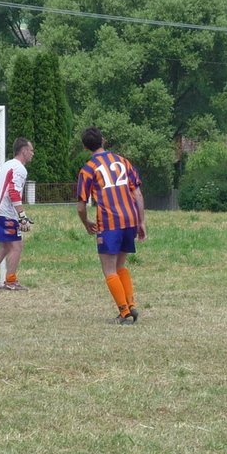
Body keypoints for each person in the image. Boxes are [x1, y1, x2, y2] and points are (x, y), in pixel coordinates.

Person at [76, 127, 146, 324]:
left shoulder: (88, 169)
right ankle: (131, 304)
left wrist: (86, 222)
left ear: (85, 147)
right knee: (120, 265)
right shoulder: (123, 161)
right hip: (130, 219)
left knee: (109, 269)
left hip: (109, 223)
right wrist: (141, 221)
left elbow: (81, 206)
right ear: (103, 141)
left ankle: (124, 313)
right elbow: (137, 193)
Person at [0, 138, 35, 291]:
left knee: (5, 246)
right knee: (16, 246)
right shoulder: (19, 168)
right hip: (3, 212)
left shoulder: (8, 164)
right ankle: (11, 281)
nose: (32, 154)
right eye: (31, 150)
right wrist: (22, 216)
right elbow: (13, 192)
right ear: (24, 151)